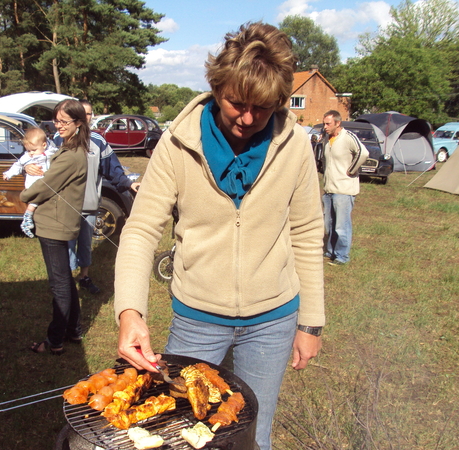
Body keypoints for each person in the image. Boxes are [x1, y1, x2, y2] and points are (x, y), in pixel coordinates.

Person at [113, 22, 325, 450]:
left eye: (262, 108)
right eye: (236, 104)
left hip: (273, 320)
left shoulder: (295, 145)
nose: (247, 119)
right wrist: (130, 312)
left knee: (253, 434)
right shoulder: (177, 143)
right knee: (180, 430)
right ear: (216, 87)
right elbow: (140, 229)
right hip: (197, 319)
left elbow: (305, 231)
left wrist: (311, 323)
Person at [29, 100, 140, 294]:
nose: (87, 118)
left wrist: (129, 184)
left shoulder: (97, 142)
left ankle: (84, 277)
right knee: (66, 248)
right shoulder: (57, 139)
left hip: (88, 205)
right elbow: (36, 156)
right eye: (84, 114)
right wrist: (26, 166)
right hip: (62, 207)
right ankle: (67, 284)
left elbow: (112, 169)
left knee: (85, 245)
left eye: (89, 114)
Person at [20, 99, 89, 355]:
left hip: (53, 225)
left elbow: (47, 183)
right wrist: (27, 165)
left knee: (59, 284)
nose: (57, 126)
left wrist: (24, 196)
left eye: (63, 122)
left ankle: (55, 340)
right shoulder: (69, 148)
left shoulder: (72, 155)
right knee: (65, 281)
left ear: (79, 123)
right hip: (58, 222)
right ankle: (73, 330)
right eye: (55, 121)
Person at [321, 110, 369, 265]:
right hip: (329, 189)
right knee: (329, 224)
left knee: (341, 226)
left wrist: (352, 169)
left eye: (328, 123)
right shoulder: (327, 140)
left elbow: (363, 153)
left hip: (343, 189)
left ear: (337, 123)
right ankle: (331, 251)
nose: (325, 126)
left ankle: (342, 256)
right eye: (324, 123)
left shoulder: (348, 137)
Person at [3, 127, 58, 238]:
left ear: (44, 145)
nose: (31, 153)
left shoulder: (52, 153)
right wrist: (8, 174)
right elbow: (18, 165)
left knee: (38, 201)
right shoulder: (27, 157)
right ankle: (27, 218)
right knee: (34, 201)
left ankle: (28, 219)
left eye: (33, 150)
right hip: (33, 183)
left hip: (46, 184)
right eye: (28, 150)